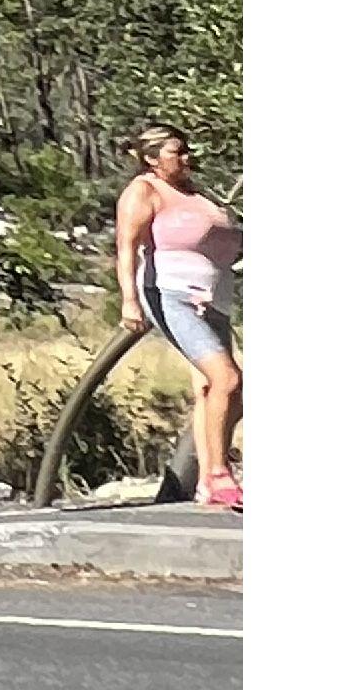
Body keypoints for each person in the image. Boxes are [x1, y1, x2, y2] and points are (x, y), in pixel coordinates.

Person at [116, 124, 243, 509]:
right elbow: (126, 247)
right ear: (152, 158)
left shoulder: (197, 191)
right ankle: (220, 474)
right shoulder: (144, 191)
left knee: (214, 389)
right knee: (228, 379)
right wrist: (129, 301)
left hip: (214, 298)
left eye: (187, 151)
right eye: (177, 152)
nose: (187, 158)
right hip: (171, 294)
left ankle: (208, 481)